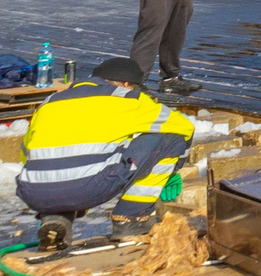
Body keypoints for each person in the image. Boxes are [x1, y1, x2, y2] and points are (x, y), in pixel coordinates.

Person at [19, 56, 195, 250]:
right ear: (127, 84)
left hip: (33, 193)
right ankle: (131, 219)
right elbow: (184, 127)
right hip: (87, 187)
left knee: (69, 165)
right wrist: (172, 170)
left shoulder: (50, 102)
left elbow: (26, 152)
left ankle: (56, 218)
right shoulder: (127, 98)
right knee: (171, 138)